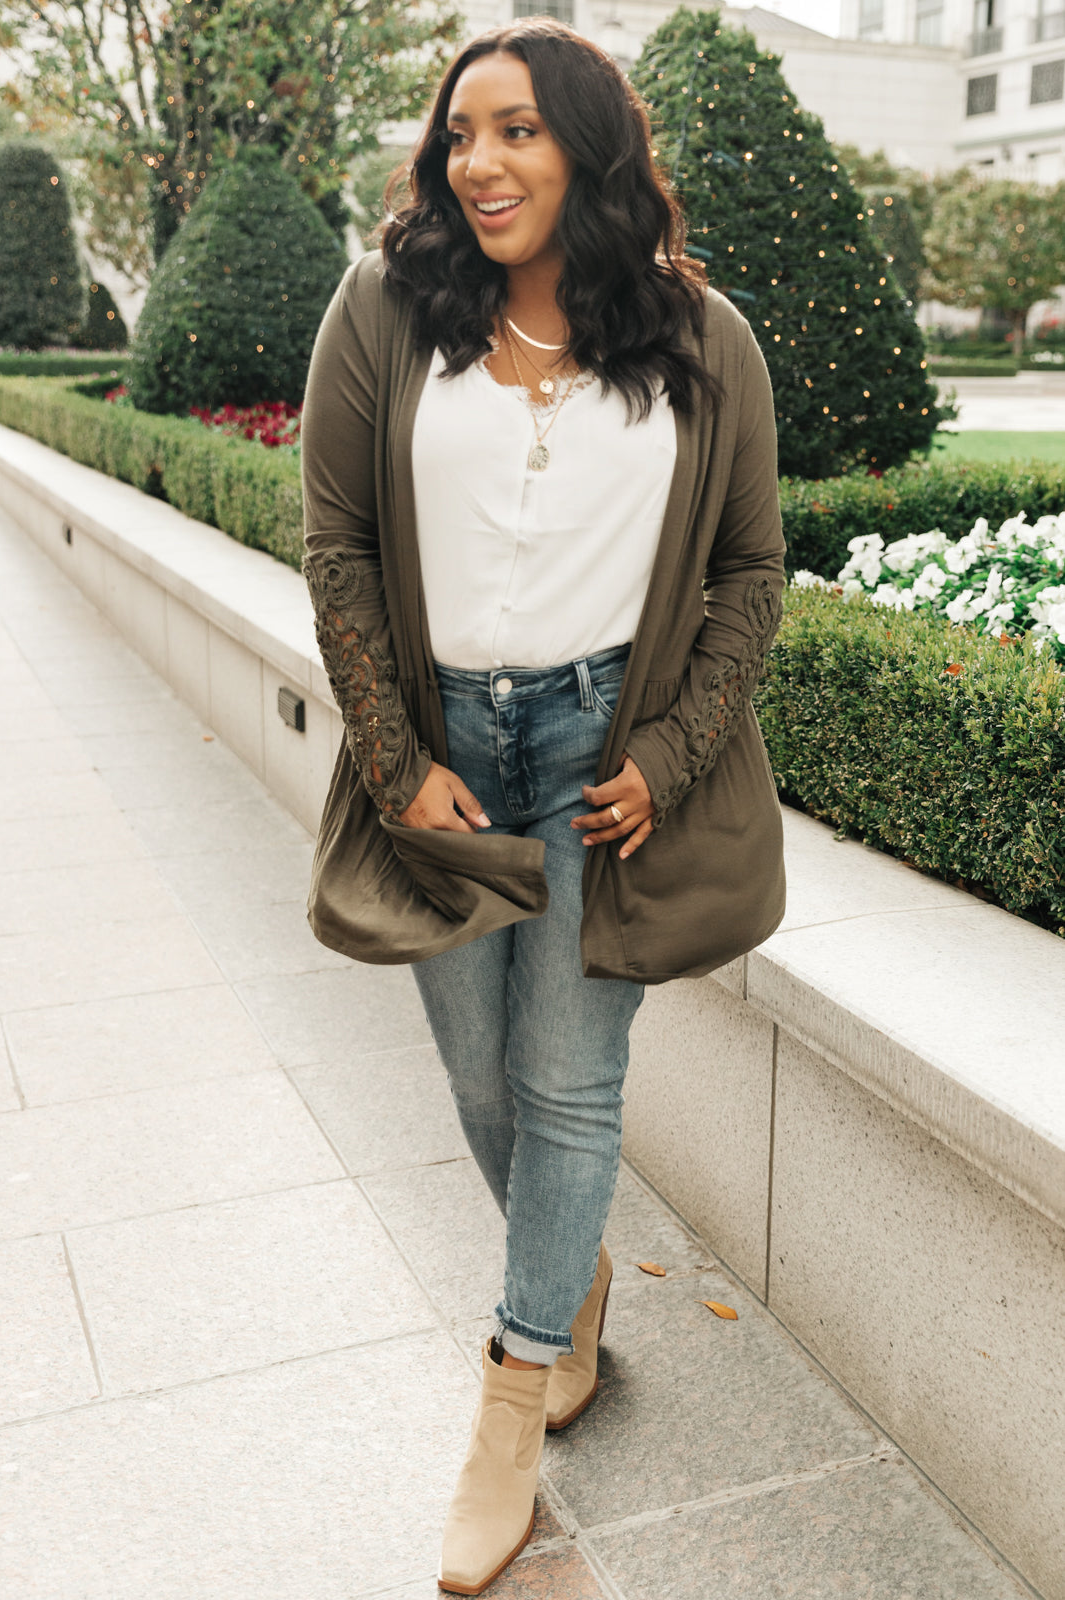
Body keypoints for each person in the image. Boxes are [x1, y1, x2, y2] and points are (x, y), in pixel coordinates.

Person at [300, 18, 786, 1594]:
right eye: (460, 134)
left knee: (568, 1079)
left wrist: (673, 753)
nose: (479, 162)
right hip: (440, 740)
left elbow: (749, 573)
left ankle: (511, 1404)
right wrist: (394, 757)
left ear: (588, 146)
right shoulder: (387, 311)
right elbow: (340, 552)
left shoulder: (705, 340)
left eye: (514, 131)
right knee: (479, 1075)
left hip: (599, 752)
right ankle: (565, 1286)